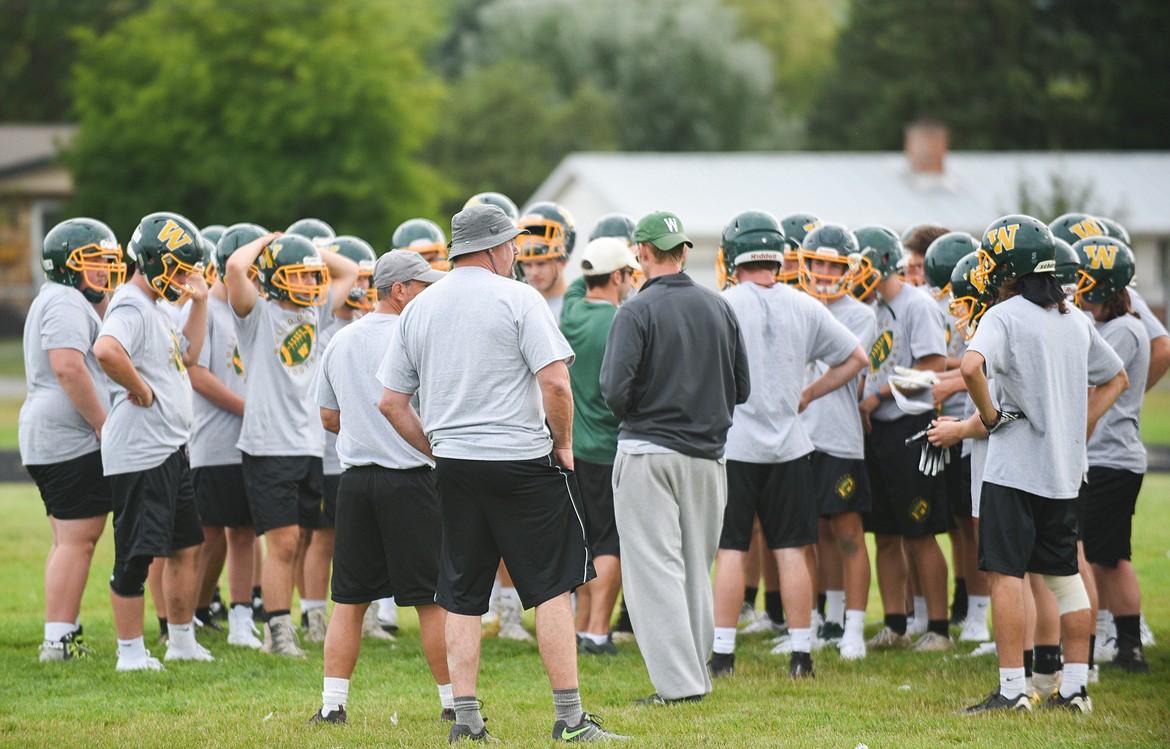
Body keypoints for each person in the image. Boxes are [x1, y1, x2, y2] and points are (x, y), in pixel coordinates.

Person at [380, 204, 623, 743]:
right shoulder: (519, 298)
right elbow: (556, 384)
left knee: (462, 594)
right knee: (553, 587)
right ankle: (570, 718)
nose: (517, 253)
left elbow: (392, 403)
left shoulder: (421, 305)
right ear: (491, 248)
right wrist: (563, 445)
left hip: (457, 464)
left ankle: (466, 721)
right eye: (511, 244)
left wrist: (438, 450)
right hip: (519, 458)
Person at [929, 215, 1127, 713]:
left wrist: (990, 416)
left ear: (1006, 265)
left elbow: (971, 366)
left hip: (1015, 469)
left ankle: (1014, 689)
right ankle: (1075, 688)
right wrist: (1079, 423)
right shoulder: (1073, 316)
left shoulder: (1004, 315)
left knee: (1006, 576)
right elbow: (1117, 378)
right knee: (1064, 579)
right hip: (1063, 470)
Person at [600, 210, 749, 704]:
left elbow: (613, 391)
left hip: (648, 449)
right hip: (708, 455)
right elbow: (742, 388)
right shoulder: (719, 306)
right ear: (683, 250)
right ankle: (696, 676)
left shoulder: (635, 311)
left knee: (654, 570)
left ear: (641, 253)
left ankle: (679, 686)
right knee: (692, 566)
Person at [709, 215, 865, 679]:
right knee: (793, 549)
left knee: (732, 549)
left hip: (737, 442)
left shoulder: (722, 304)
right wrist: (809, 393)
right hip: (791, 444)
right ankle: (802, 654)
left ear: (734, 254)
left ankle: (723, 655)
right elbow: (855, 358)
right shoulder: (806, 304)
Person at [308, 251, 451, 725]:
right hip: (411, 481)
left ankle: (332, 707)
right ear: (400, 291)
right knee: (431, 601)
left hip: (355, 482)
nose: (430, 292)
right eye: (423, 285)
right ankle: (455, 705)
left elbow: (329, 417)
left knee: (349, 600)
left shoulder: (342, 339)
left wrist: (364, 431)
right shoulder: (420, 337)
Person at [224, 228, 358, 657]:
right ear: (276, 277)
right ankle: (277, 631)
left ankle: (283, 622)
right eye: (299, 275)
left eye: (311, 275)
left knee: (299, 539)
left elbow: (350, 270)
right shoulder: (255, 313)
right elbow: (233, 267)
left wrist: (306, 247)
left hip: (308, 445)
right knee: (282, 542)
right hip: (269, 445)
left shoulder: (314, 311)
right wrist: (268, 241)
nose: (311, 282)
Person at [93, 211, 211, 671]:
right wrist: (141, 389)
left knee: (185, 546)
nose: (183, 278)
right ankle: (129, 653)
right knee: (138, 555)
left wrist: (198, 302)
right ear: (154, 261)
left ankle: (180, 641)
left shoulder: (156, 307)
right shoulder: (130, 303)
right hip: (141, 451)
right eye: (179, 270)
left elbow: (189, 354)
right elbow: (106, 350)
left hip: (168, 447)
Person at [22, 217, 125, 661]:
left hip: (55, 434)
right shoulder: (63, 300)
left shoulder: (64, 298)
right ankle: (59, 639)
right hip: (67, 437)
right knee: (79, 539)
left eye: (106, 262)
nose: (103, 271)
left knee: (70, 539)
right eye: (93, 262)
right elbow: (67, 366)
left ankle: (62, 631)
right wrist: (103, 422)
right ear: (66, 264)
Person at [852, 226, 953, 652]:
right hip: (880, 430)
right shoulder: (873, 307)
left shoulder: (916, 305)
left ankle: (940, 628)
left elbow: (932, 366)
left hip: (911, 428)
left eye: (861, 264)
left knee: (919, 530)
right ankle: (896, 623)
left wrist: (875, 397)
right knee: (886, 533)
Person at [797, 222, 877, 660]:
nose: (825, 272)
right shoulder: (796, 303)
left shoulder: (861, 314)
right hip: (798, 438)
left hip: (838, 436)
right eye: (818, 263)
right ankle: (810, 622)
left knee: (848, 534)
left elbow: (837, 361)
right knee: (806, 535)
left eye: (834, 264)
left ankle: (854, 629)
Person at [1070, 236, 1151, 672]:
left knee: (1095, 554)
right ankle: (1122, 646)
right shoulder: (1108, 324)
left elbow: (1093, 390)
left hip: (1109, 457)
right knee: (1105, 554)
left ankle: (1111, 646)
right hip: (1110, 455)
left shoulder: (1121, 329)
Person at [558, 236, 640, 656]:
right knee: (611, 543)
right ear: (619, 276)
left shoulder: (571, 312)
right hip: (609, 447)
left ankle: (581, 629)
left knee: (586, 542)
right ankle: (597, 632)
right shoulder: (620, 322)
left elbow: (576, 284)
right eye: (628, 275)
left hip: (573, 449)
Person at [190, 223, 267, 649]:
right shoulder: (207, 311)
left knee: (245, 532)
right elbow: (197, 375)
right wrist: (248, 407)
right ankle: (190, 616)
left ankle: (240, 618)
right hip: (215, 441)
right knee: (207, 535)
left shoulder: (253, 310)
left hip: (252, 441)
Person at [302, 235, 378, 643]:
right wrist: (316, 248)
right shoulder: (324, 320)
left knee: (360, 540)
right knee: (323, 535)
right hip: (330, 449)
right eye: (357, 279)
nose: (361, 288)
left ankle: (365, 614)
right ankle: (314, 615)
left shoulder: (362, 324)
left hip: (360, 449)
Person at [515, 201, 577, 319]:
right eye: (527, 265)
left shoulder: (582, 309)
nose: (534, 273)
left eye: (541, 263)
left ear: (563, 261)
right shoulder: (520, 308)